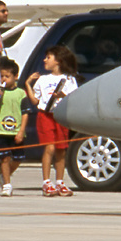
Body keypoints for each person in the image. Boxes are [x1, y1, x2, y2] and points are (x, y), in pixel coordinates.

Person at [26, 45, 78, 197]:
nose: (45, 60)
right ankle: (46, 182)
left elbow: (73, 98)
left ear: (59, 61)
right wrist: (28, 85)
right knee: (49, 148)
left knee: (61, 150)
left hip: (61, 116)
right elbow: (35, 101)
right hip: (45, 116)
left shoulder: (69, 79)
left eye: (48, 57)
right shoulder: (42, 79)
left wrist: (62, 96)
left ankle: (60, 182)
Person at [0, 58, 25, 196]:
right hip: (1, 131)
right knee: (4, 158)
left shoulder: (21, 93)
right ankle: (7, 184)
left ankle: (3, 174)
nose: (4, 79)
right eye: (2, 76)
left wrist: (21, 131)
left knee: (18, 158)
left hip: (16, 130)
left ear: (15, 77)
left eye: (7, 76)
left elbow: (25, 113)